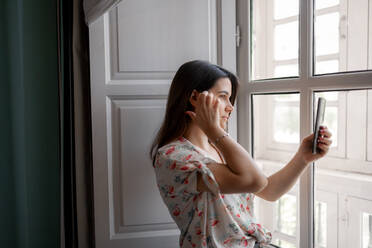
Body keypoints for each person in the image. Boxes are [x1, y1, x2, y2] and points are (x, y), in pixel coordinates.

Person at [149, 60, 332, 248]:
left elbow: (269, 191)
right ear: (195, 98)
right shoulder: (172, 156)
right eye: (223, 96)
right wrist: (214, 130)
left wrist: (303, 157)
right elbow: (255, 181)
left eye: (230, 98)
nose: (230, 106)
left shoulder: (218, 148)